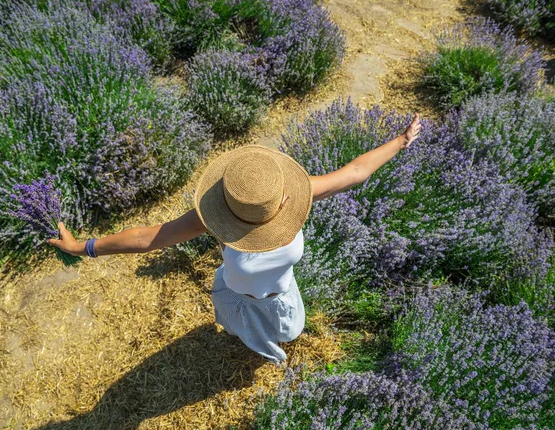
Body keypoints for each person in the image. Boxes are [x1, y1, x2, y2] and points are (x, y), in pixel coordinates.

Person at [48, 114, 422, 364]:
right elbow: (148, 238)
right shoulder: (214, 218)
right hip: (237, 296)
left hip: (277, 298)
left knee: (288, 334)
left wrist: (401, 140)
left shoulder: (295, 191)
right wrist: (82, 247)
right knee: (242, 330)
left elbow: (355, 172)